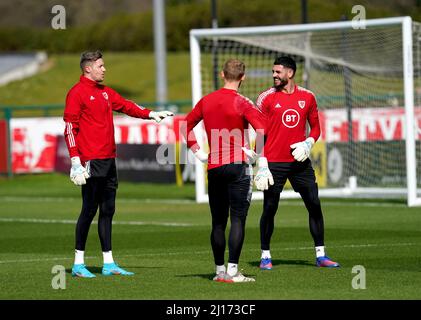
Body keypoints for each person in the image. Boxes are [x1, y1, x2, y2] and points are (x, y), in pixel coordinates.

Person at [63, 50, 173, 278]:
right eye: (100, 66)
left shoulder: (105, 92)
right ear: (88, 69)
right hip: (90, 161)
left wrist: (151, 114)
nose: (104, 69)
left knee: (108, 210)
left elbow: (126, 105)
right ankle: (78, 264)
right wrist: (75, 161)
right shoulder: (76, 93)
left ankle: (109, 263)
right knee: (89, 209)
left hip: (109, 160)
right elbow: (69, 128)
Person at [254, 56, 340, 269]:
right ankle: (265, 255)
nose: (274, 75)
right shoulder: (265, 98)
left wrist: (309, 143)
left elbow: (316, 127)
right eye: (273, 72)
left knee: (314, 204)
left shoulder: (308, 97)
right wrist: (261, 162)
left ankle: (321, 255)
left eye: (278, 72)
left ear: (290, 73)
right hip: (274, 163)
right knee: (270, 208)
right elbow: (259, 132)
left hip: (300, 161)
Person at [184, 59, 265, 282]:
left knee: (218, 222)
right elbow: (261, 129)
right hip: (238, 166)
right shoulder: (242, 102)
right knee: (237, 219)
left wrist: (198, 152)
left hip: (215, 167)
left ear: (222, 74)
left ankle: (219, 271)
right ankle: (232, 271)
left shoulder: (206, 101)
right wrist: (256, 154)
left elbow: (185, 125)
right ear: (243, 77)